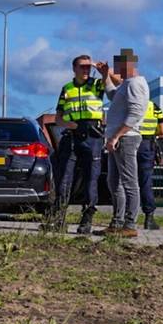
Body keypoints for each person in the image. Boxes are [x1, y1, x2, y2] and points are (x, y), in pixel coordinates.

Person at [49, 54, 106, 234]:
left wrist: (104, 71)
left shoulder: (97, 85)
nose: (86, 70)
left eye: (89, 67)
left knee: (92, 177)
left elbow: (116, 85)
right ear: (74, 68)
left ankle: (87, 217)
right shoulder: (67, 88)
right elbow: (58, 118)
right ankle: (59, 217)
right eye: (82, 66)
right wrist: (72, 125)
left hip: (93, 135)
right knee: (65, 177)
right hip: (73, 134)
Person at [98, 49, 148, 237]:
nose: (116, 69)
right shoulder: (127, 84)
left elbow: (136, 113)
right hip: (117, 139)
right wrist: (105, 77)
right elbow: (113, 96)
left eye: (118, 65)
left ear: (129, 64)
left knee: (129, 182)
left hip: (126, 138)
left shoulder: (135, 84)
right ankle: (117, 222)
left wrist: (116, 136)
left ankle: (130, 224)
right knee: (114, 182)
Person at [137, 99, 163, 230]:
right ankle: (149, 218)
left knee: (126, 180)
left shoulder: (130, 103)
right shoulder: (154, 107)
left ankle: (124, 216)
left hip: (130, 143)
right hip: (147, 146)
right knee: (146, 181)